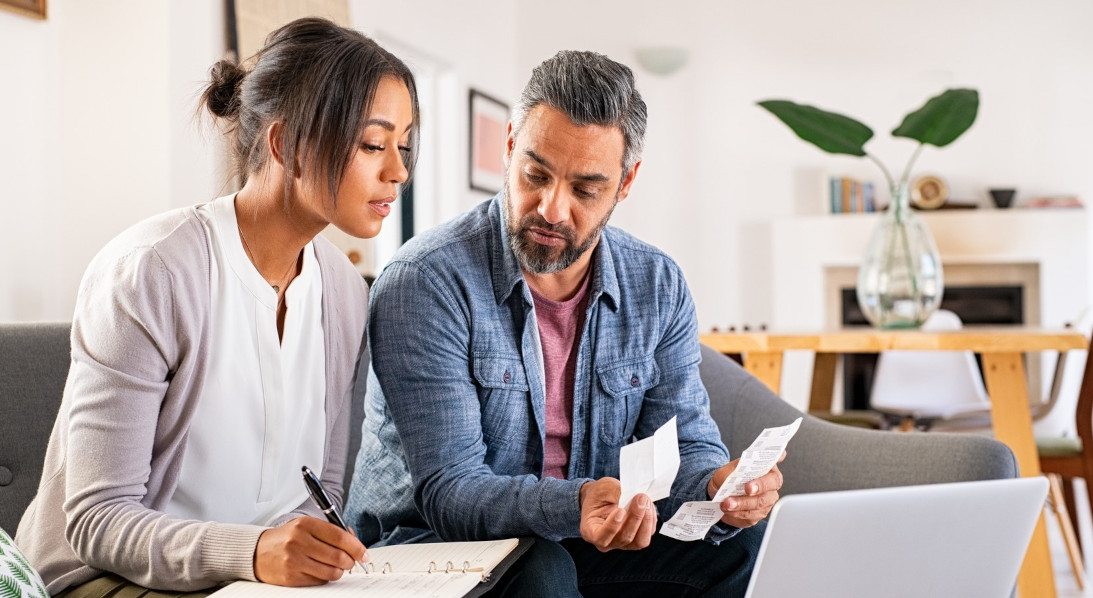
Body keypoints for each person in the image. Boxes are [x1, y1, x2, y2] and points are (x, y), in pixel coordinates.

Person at [345, 50, 782, 597]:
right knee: (543, 568)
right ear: (509, 148)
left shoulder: (658, 284)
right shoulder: (426, 281)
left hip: (579, 538)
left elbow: (685, 444)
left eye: (585, 190)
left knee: (742, 546)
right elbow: (451, 493)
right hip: (428, 550)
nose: (552, 208)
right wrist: (576, 507)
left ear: (625, 184)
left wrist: (719, 489)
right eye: (536, 175)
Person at [15, 17, 418, 597]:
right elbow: (96, 521)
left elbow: (319, 489)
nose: (398, 170)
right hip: (104, 577)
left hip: (252, 585)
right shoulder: (152, 272)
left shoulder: (346, 293)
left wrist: (312, 553)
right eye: (373, 145)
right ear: (286, 144)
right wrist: (252, 552)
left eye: (402, 146)